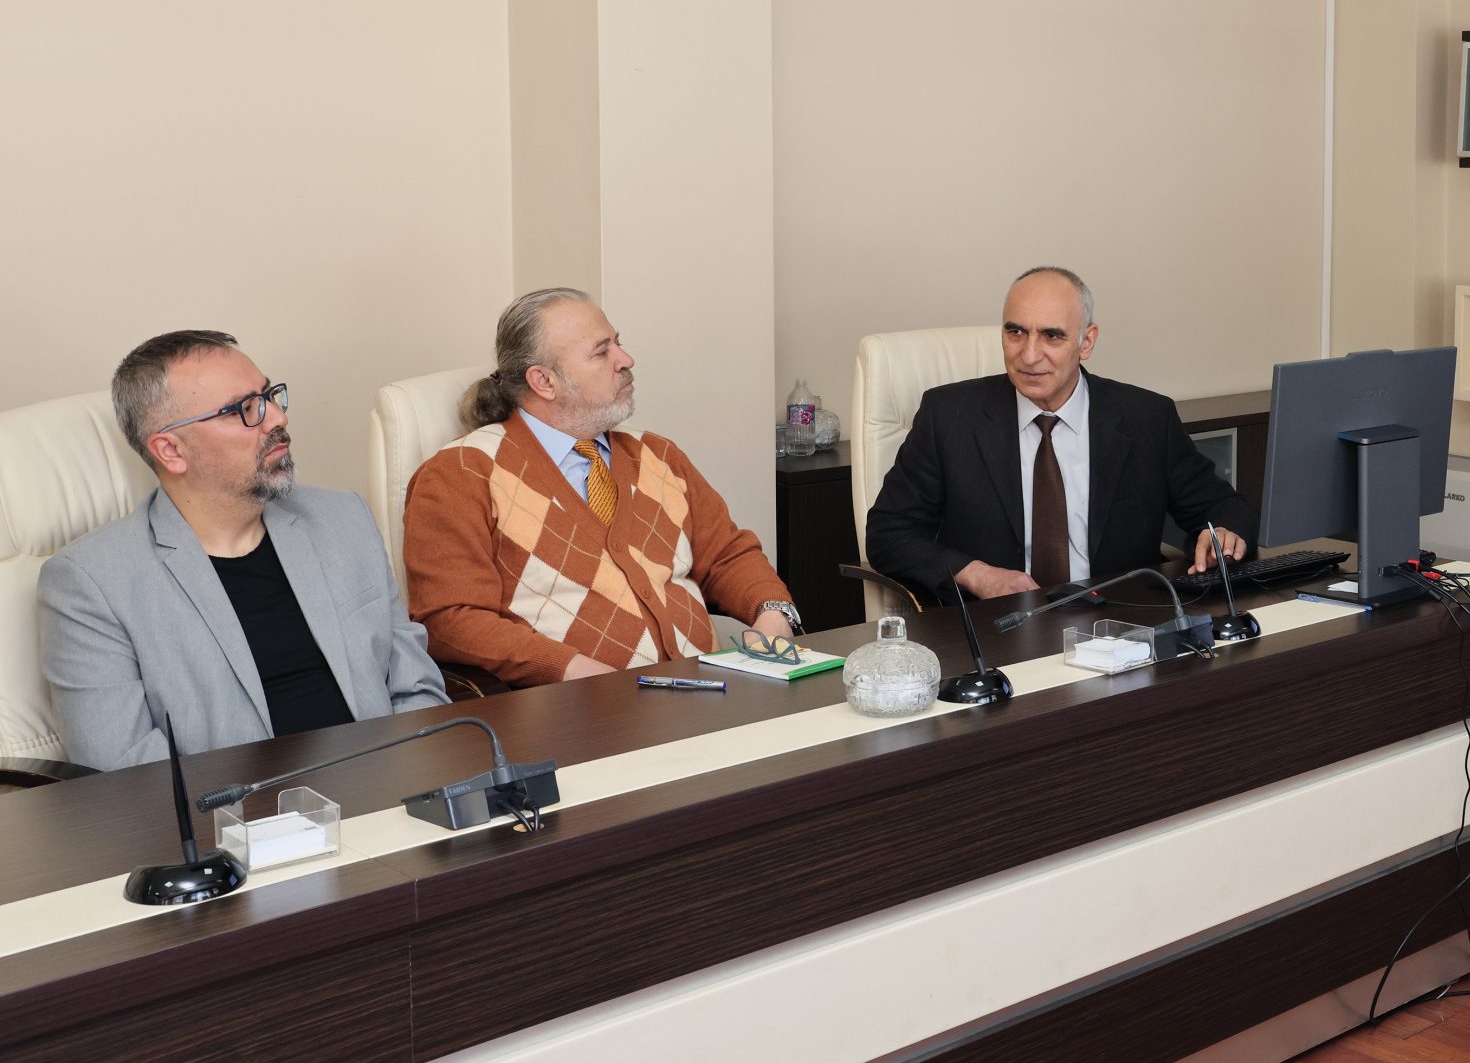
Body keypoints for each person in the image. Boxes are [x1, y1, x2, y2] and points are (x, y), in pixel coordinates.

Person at [39, 331, 450, 771]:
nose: (277, 418)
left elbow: (417, 689)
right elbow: (126, 768)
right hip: (236, 812)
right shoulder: (90, 583)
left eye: (269, 396)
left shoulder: (342, 518)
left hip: (390, 789)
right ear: (171, 450)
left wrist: (411, 784)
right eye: (243, 409)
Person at [403, 288, 799, 688]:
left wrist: (773, 613)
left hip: (711, 697)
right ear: (544, 381)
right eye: (601, 351)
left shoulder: (658, 454)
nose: (626, 360)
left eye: (618, 343)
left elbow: (727, 555)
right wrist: (572, 670)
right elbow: (451, 618)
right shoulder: (461, 473)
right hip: (576, 711)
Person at [866, 266, 1255, 601]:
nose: (1029, 354)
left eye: (1052, 336)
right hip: (997, 627)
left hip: (1122, 622)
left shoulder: (1146, 418)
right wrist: (975, 574)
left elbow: (1223, 506)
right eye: (1016, 332)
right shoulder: (948, 416)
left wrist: (1223, 533)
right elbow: (888, 533)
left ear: (1086, 342)